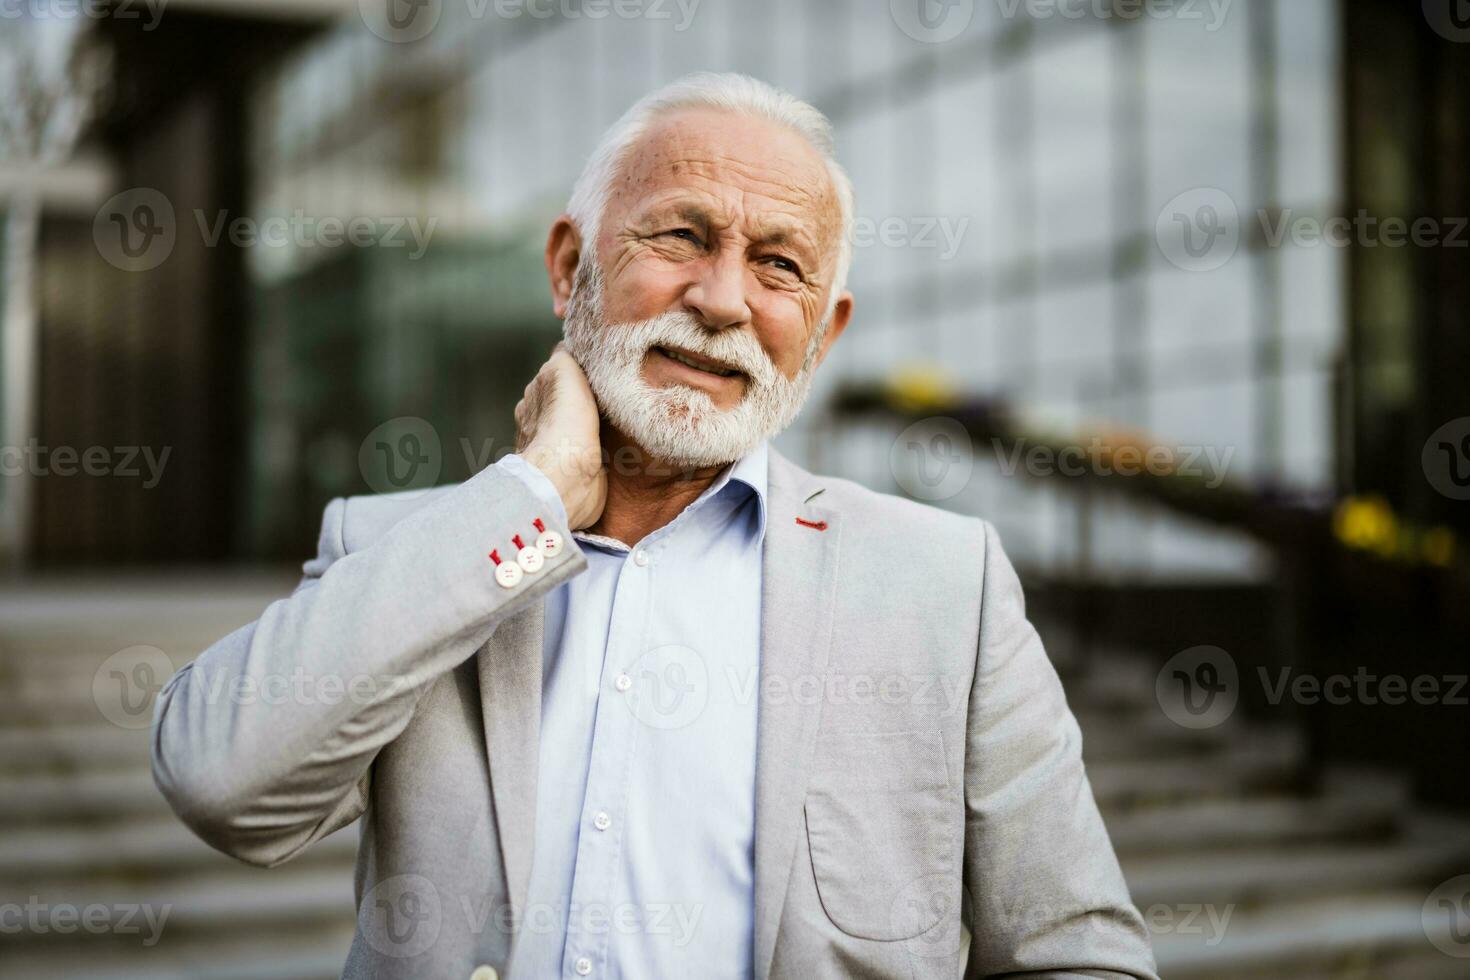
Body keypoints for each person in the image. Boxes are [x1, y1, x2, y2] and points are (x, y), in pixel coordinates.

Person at [152, 72, 1158, 980]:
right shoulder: (411, 554)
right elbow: (221, 781)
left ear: (824, 333)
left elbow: (1079, 954)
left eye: (778, 266)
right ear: (567, 269)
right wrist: (530, 497)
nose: (722, 300)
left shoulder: (948, 585)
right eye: (680, 235)